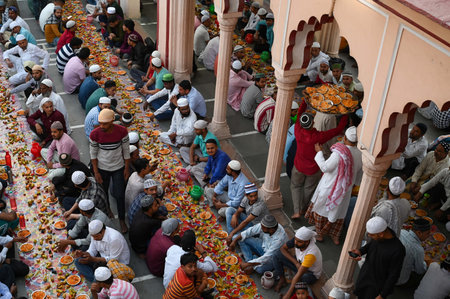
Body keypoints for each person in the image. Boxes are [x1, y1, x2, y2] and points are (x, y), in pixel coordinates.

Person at [290, 100, 348, 219]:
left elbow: (300, 113)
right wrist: (346, 112)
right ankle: (302, 209)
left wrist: (305, 101)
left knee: (296, 186)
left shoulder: (297, 130)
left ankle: (296, 210)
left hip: (298, 166)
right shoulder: (318, 137)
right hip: (313, 169)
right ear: (312, 123)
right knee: (308, 189)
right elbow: (338, 129)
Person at [305, 126, 363, 244]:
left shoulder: (339, 154)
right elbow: (359, 175)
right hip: (345, 190)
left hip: (330, 188)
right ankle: (335, 236)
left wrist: (319, 152)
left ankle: (320, 235)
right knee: (338, 213)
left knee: (321, 211)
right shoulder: (360, 154)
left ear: (345, 138)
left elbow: (325, 167)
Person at [90, 109, 130, 233]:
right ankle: (107, 211)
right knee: (104, 192)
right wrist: (96, 172)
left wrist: (126, 168)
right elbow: (93, 154)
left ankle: (122, 219)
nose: (101, 126)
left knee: (119, 194)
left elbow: (126, 151)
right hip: (102, 168)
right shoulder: (95, 134)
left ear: (112, 121)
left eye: (105, 124)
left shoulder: (122, 131)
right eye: (100, 123)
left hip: (118, 167)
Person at [349, 216, 405, 299]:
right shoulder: (379, 236)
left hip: (376, 286)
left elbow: (394, 275)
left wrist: (383, 295)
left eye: (371, 235)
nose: (369, 236)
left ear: (381, 234)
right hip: (365, 276)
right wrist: (360, 251)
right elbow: (370, 246)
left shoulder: (398, 250)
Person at [275, 227, 322, 297]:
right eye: (295, 240)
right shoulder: (297, 240)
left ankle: (292, 294)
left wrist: (287, 295)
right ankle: (282, 279)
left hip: (310, 273)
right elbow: (282, 249)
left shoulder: (311, 253)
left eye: (299, 242)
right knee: (277, 254)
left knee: (301, 278)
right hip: (298, 264)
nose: (295, 243)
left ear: (307, 242)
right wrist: (296, 263)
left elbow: (298, 275)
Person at [397, 218, 431, 285]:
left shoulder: (402, 231)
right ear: (419, 233)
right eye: (427, 233)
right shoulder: (418, 250)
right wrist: (425, 262)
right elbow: (420, 270)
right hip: (397, 280)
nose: (429, 236)